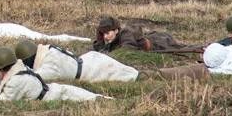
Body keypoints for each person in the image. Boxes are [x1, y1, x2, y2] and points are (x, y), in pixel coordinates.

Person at [0, 47, 108, 102]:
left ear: (1, 69)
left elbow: (2, 102)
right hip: (54, 91)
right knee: (94, 98)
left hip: (56, 95)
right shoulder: (17, 69)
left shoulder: (16, 82)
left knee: (95, 100)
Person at [11, 38, 139, 82]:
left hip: (93, 70)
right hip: (90, 60)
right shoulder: (49, 51)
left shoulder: (51, 65)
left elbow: (34, 77)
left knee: (129, 76)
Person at [93, 16, 192, 53]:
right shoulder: (112, 40)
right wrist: (100, 37)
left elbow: (127, 49)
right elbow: (99, 48)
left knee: (181, 47)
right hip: (152, 38)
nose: (105, 37)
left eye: (107, 33)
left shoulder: (125, 33)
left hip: (158, 42)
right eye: (103, 34)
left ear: (116, 31)